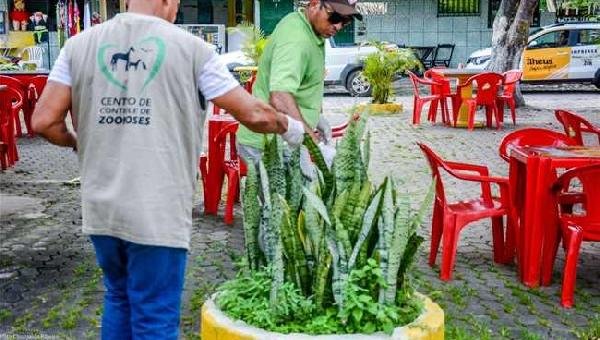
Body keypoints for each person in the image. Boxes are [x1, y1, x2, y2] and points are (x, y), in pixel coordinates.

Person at [30, 0, 305, 338]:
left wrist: (78, 141)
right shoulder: (194, 51)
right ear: (168, 1)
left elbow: (44, 120)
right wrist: (292, 127)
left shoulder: (77, 46)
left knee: (119, 298)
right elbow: (254, 115)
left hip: (101, 209)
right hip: (156, 210)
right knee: (154, 317)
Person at [236, 0, 362, 168]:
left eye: (346, 21)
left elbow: (300, 88)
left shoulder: (308, 28)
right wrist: (316, 147)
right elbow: (280, 98)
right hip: (269, 145)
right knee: (289, 193)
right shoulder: (296, 40)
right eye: (335, 17)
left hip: (288, 139)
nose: (339, 26)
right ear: (314, 3)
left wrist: (316, 118)